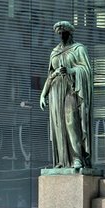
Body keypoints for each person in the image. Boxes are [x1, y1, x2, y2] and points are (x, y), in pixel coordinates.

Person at [39, 20, 92, 169]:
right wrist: (43, 94)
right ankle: (62, 160)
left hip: (72, 90)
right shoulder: (54, 52)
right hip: (55, 92)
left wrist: (70, 71)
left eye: (64, 33)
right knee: (59, 125)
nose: (62, 36)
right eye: (60, 34)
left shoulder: (78, 49)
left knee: (71, 122)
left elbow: (86, 71)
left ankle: (77, 158)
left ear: (70, 33)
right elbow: (50, 75)